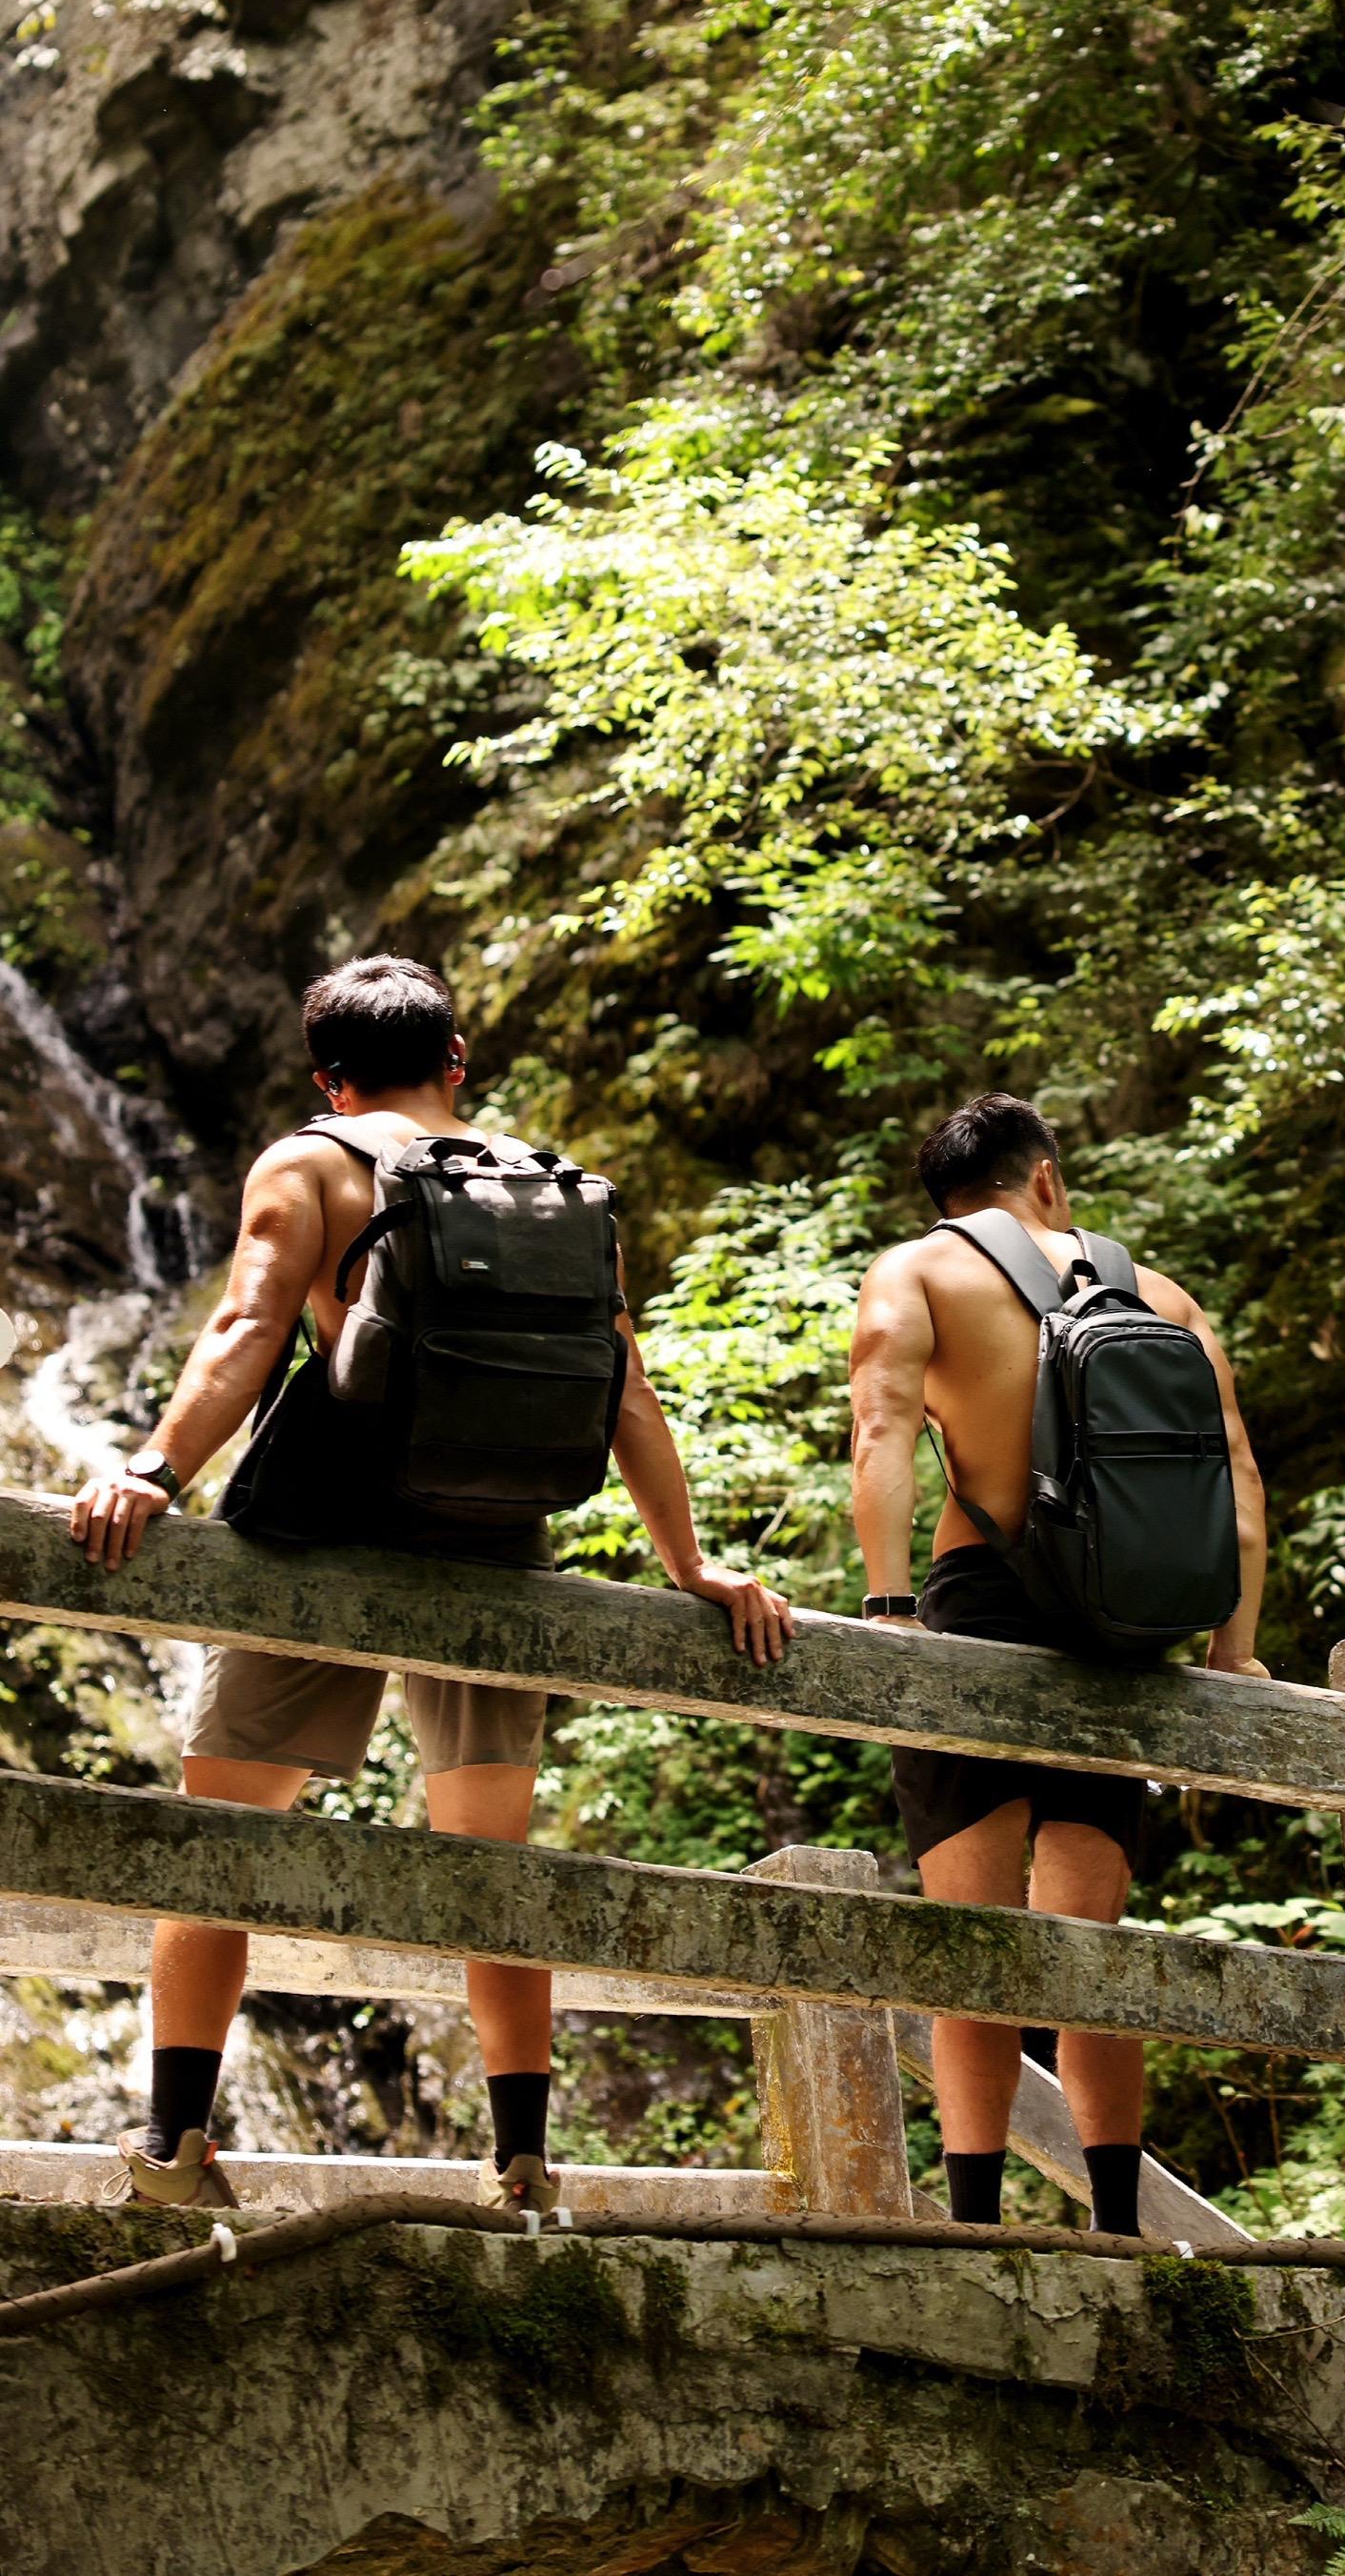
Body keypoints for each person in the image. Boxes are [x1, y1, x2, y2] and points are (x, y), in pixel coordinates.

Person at [68, 954, 792, 2215]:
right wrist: (690, 1562)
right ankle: (524, 2162)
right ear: (458, 1061)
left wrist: (152, 1469)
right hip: (496, 1538)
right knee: (493, 1863)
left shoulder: (311, 1165)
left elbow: (247, 1327)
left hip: (323, 1535)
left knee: (217, 1842)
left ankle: (178, 2149)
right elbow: (624, 1383)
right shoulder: (550, 1187)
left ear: (328, 1079)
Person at [848, 1092, 1267, 2236]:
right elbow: (1235, 1471)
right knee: (1093, 1949)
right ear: (1045, 1175)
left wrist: (889, 1608)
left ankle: (977, 2226)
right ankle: (1119, 2229)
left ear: (947, 1196)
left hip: (982, 1606)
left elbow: (882, 1427)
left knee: (973, 1945)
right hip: (1119, 1632)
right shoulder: (1161, 1297)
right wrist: (1232, 1648)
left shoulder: (920, 1271)